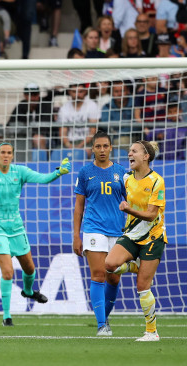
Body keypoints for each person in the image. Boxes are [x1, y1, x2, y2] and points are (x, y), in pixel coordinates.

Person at [0, 142, 71, 326]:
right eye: (3, 152)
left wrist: (59, 172)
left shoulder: (20, 172)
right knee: (8, 272)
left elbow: (43, 178)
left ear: (12, 155)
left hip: (16, 228)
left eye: (9, 153)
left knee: (29, 269)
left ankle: (27, 291)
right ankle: (7, 316)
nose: (6, 155)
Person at [105, 140, 165, 342]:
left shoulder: (157, 181)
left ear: (146, 156)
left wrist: (127, 209)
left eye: (134, 151)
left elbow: (150, 215)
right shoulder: (127, 179)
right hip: (131, 234)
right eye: (129, 151)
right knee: (110, 265)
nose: (129, 154)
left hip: (153, 237)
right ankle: (136, 265)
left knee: (142, 286)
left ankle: (152, 332)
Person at [73, 131, 126, 336]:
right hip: (93, 227)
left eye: (105, 146)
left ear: (111, 148)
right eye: (98, 147)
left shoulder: (122, 172)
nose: (102, 150)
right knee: (98, 274)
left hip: (117, 230)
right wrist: (77, 235)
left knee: (113, 279)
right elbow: (79, 207)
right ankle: (101, 325)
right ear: (92, 149)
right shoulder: (85, 172)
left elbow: (129, 201)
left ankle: (104, 317)